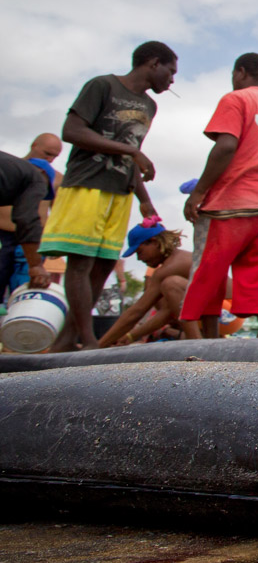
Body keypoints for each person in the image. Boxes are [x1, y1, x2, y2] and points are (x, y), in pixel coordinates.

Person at [39, 41, 176, 349]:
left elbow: (133, 152)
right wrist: (130, 151)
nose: (172, 80)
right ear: (154, 63)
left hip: (120, 192)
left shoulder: (150, 106)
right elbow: (72, 131)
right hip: (88, 185)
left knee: (102, 266)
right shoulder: (102, 86)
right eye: (171, 71)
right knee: (81, 263)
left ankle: (65, 341)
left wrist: (144, 198)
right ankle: (88, 340)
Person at [180, 53, 258, 339]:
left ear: (240, 72)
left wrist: (199, 192)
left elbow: (226, 147)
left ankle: (208, 340)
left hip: (234, 203)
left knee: (210, 270)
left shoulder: (236, 99)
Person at [97, 221, 194, 347]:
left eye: (139, 252)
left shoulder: (169, 269)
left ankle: (195, 341)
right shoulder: (179, 257)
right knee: (168, 288)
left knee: (170, 284)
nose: (139, 259)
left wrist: (98, 345)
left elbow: (137, 311)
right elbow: (166, 312)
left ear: (154, 242)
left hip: (223, 314)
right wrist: (130, 336)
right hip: (220, 315)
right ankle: (197, 340)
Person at [0, 150, 58, 298]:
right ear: (43, 174)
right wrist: (36, 266)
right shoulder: (36, 178)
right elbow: (26, 219)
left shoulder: (9, 172)